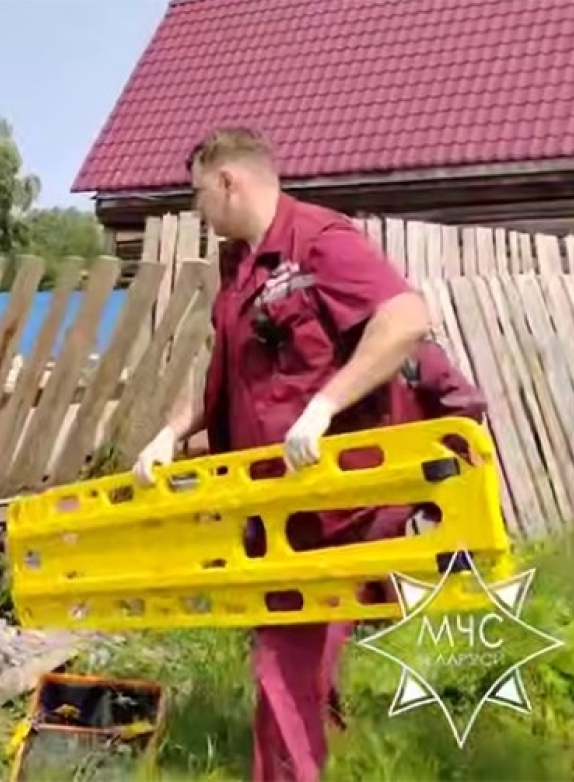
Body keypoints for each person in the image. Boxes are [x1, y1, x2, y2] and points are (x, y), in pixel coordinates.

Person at [130, 128, 441, 781]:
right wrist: (172, 432)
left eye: (198, 196)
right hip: (278, 508)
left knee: (282, 658)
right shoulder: (242, 267)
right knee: (295, 654)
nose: (199, 212)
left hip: (334, 503)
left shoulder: (319, 242)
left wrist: (327, 404)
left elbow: (406, 318)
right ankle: (324, 749)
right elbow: (230, 376)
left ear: (226, 181)